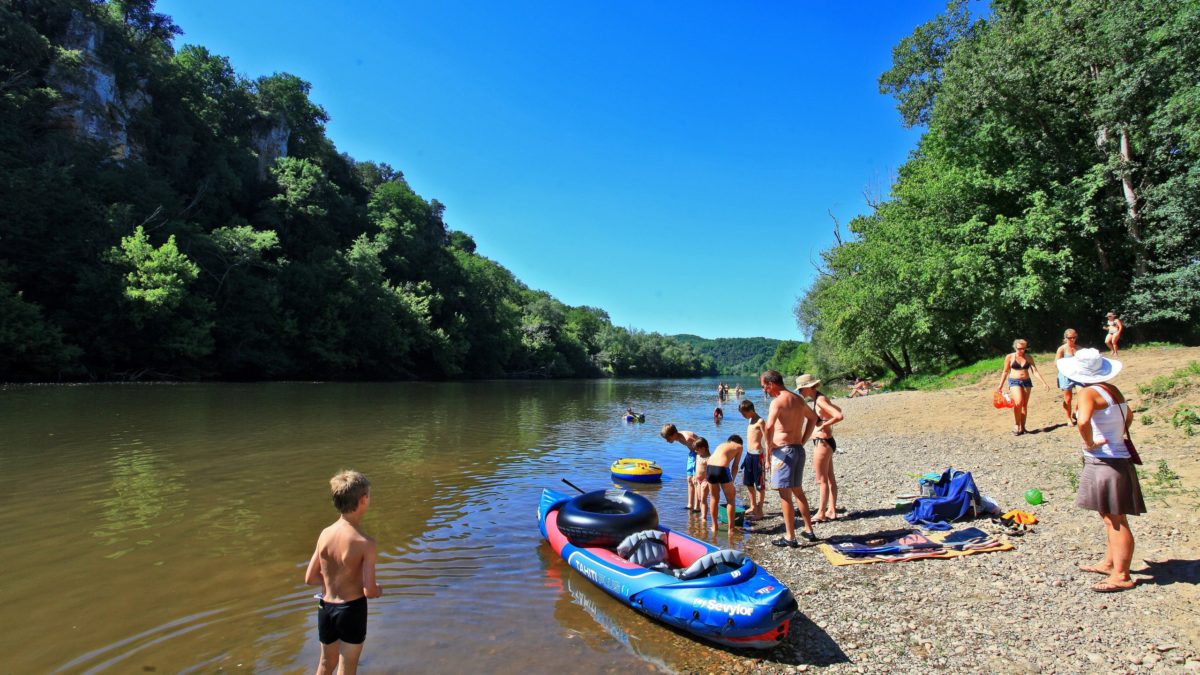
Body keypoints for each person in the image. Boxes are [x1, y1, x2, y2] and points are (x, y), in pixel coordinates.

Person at [1057, 348, 1144, 593]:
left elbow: (1082, 421)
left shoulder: (1087, 392)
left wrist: (1090, 442)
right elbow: (1129, 416)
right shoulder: (1111, 389)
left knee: (1116, 519)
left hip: (1106, 461)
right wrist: (1115, 434)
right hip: (1118, 458)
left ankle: (1122, 575)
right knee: (1109, 516)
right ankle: (1109, 562)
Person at [305, 470, 382, 675]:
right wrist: (378, 590)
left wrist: (331, 579)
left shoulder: (325, 534)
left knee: (325, 664)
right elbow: (369, 590)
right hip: (351, 610)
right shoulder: (365, 543)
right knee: (347, 668)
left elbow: (310, 578)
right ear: (364, 500)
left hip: (325, 607)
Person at [760, 369, 820, 546]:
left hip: (784, 452)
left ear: (771, 384)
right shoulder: (797, 399)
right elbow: (813, 418)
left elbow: (769, 427)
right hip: (797, 450)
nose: (764, 390)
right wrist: (802, 440)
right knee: (798, 491)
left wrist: (769, 448)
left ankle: (790, 537)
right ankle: (809, 530)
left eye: (764, 386)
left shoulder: (778, 401)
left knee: (785, 494)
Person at [795, 374, 844, 522]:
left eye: (801, 389)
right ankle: (832, 510)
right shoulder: (819, 398)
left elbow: (839, 415)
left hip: (822, 442)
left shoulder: (820, 400)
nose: (800, 392)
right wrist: (826, 421)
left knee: (821, 480)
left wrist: (823, 425)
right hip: (827, 442)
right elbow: (837, 409)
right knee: (829, 479)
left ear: (808, 387)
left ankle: (822, 513)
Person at [995, 339, 1051, 435]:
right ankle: (1017, 425)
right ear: (1015, 347)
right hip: (1014, 381)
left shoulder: (1028, 357)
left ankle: (1023, 427)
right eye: (1019, 348)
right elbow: (1005, 371)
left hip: (1026, 382)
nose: (1021, 350)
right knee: (1018, 402)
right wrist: (1000, 385)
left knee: (1024, 405)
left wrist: (1043, 382)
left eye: (1023, 349)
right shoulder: (1010, 357)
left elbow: (1035, 371)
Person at [661, 424, 707, 512]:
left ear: (674, 434)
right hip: (692, 454)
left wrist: (700, 465)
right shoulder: (678, 436)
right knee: (689, 479)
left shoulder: (688, 438)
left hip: (699, 456)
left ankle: (697, 507)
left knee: (696, 481)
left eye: (668, 438)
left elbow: (702, 449)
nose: (667, 441)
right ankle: (690, 505)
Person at [706, 435, 744, 534]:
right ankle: (731, 530)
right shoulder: (739, 446)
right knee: (730, 499)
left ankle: (714, 526)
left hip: (709, 467)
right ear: (739, 442)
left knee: (714, 498)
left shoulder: (721, 445)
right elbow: (735, 466)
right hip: (722, 468)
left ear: (729, 441)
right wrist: (732, 481)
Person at [737, 399, 767, 519]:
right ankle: (753, 506)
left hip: (758, 456)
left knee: (759, 484)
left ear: (751, 410)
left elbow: (767, 440)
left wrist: (768, 458)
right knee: (748, 482)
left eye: (744, 413)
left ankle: (760, 511)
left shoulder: (760, 421)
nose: (743, 416)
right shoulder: (750, 420)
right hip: (749, 454)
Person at [1055, 329, 1081, 426]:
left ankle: (1076, 412)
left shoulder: (1079, 348)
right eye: (1070, 338)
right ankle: (1068, 417)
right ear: (1066, 338)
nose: (1073, 340)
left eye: (1074, 337)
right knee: (1068, 398)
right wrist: (1067, 366)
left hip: (1077, 375)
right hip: (1065, 375)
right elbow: (1056, 363)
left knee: (1082, 394)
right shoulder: (1062, 349)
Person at [693, 437, 712, 525]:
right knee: (700, 498)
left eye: (697, 450)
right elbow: (696, 467)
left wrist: (707, 481)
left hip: (705, 481)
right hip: (698, 480)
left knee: (703, 499)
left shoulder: (709, 458)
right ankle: (701, 514)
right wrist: (694, 476)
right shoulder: (698, 456)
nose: (696, 451)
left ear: (703, 448)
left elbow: (711, 471)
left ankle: (704, 517)